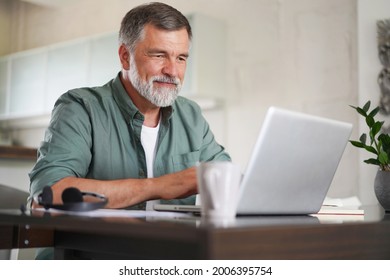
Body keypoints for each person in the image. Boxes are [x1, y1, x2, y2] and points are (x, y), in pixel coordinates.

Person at [28, 2, 231, 211]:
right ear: (125, 57)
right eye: (159, 55)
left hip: (169, 243)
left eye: (180, 58)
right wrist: (162, 186)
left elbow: (229, 178)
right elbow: (48, 193)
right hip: (95, 244)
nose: (172, 70)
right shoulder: (81, 108)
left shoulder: (191, 115)